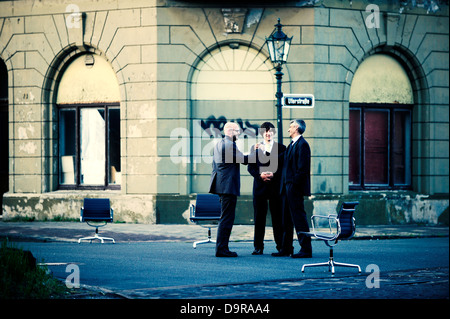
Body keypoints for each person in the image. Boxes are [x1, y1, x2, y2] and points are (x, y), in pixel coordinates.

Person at [209, 122, 255, 257]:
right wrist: (255, 152)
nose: (239, 134)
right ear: (230, 131)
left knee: (225, 217)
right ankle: (222, 249)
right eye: (237, 131)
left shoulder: (220, 144)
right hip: (227, 186)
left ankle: (221, 248)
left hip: (222, 185)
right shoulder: (229, 145)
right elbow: (244, 160)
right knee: (227, 218)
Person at [273, 119, 312, 258]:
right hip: (285, 188)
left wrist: (293, 185)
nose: (288, 129)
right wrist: (263, 153)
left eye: (290, 127)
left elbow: (302, 170)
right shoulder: (292, 145)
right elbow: (280, 158)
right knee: (286, 219)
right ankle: (286, 248)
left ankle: (306, 249)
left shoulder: (303, 145)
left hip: (293, 188)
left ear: (296, 128)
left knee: (298, 218)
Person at [247, 122, 285, 255]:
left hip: (275, 188)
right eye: (265, 131)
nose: (268, 134)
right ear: (262, 133)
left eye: (270, 131)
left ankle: (280, 246)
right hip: (259, 188)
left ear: (273, 133)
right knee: (259, 218)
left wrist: (274, 174)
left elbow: (284, 168)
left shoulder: (281, 148)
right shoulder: (255, 148)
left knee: (277, 218)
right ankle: (258, 247)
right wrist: (259, 175)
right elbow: (250, 167)